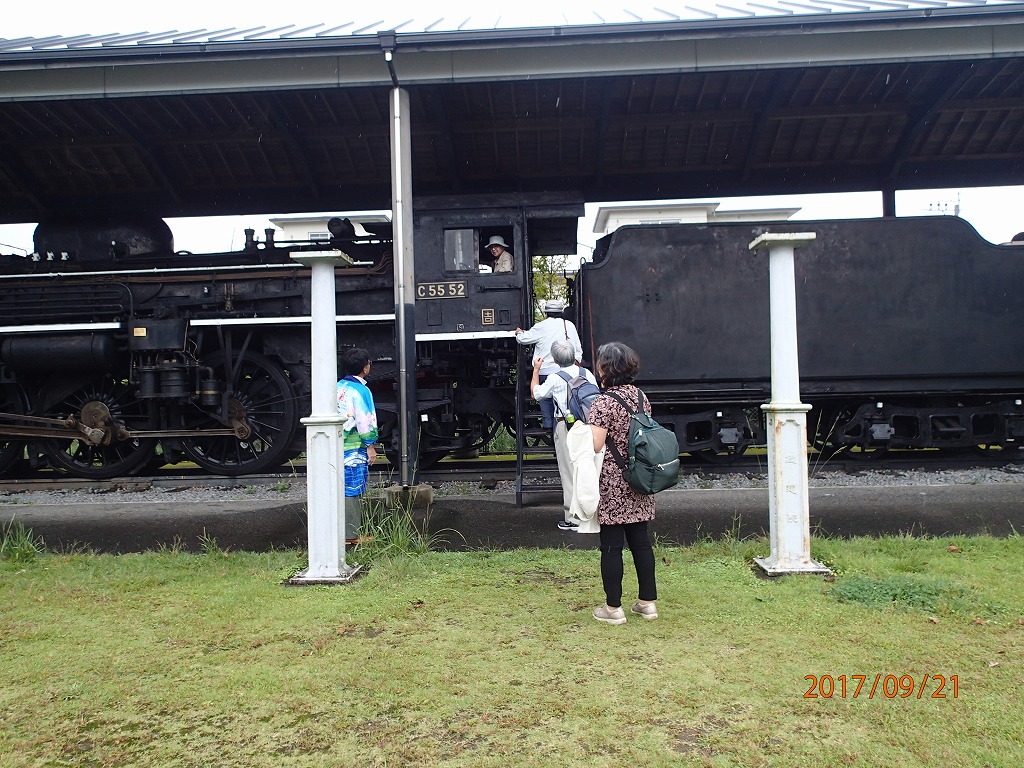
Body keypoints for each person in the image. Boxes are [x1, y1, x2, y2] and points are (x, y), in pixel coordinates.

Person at [586, 341, 658, 625]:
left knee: (612, 546)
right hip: (639, 476)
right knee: (641, 542)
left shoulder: (603, 402)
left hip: (613, 480)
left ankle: (613, 608)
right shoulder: (640, 397)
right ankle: (647, 604)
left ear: (604, 368)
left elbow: (596, 444)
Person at [529, 339, 599, 530]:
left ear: (555, 359)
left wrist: (536, 370)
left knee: (569, 472)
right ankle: (591, 513)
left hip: (566, 426)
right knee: (588, 468)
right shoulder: (587, 374)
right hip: (588, 426)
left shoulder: (554, 378)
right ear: (574, 356)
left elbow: (536, 394)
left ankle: (573, 519)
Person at [515, 299, 583, 429]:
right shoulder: (569, 325)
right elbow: (578, 349)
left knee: (545, 400)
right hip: (567, 372)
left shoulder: (541, 326)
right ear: (561, 312)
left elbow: (523, 339)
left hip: (545, 370)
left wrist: (519, 333)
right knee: (565, 401)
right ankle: (567, 427)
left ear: (546, 313)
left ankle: (548, 425)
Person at [336, 347, 379, 545]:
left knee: (339, 487)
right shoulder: (361, 390)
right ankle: (350, 535)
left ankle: (340, 532)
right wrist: (370, 446)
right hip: (354, 447)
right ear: (365, 368)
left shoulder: (337, 387)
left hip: (337, 445)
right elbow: (365, 420)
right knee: (352, 488)